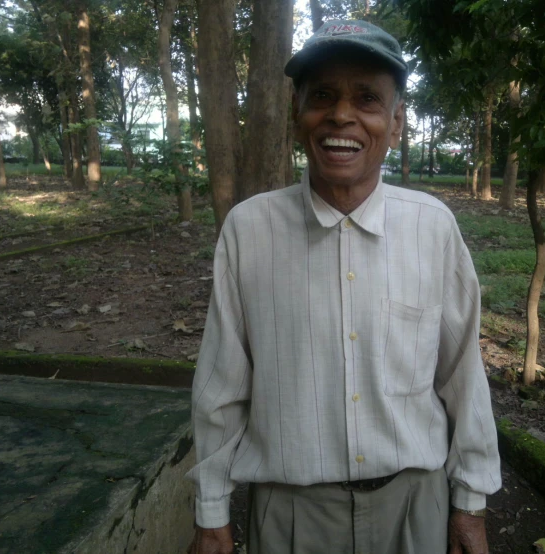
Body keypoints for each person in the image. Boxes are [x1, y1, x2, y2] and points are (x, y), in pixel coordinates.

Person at [187, 20, 501, 554]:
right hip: (291, 514)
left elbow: (461, 376)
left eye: (367, 99)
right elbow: (222, 383)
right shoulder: (249, 229)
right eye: (323, 96)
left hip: (412, 508)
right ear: (296, 115)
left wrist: (470, 502)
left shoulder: (433, 227)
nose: (341, 115)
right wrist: (211, 511)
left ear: (396, 122)